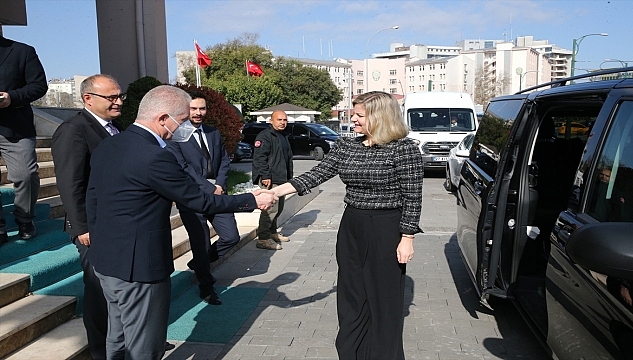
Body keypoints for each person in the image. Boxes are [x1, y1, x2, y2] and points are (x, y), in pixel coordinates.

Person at [85, 85, 276, 360]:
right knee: (143, 345)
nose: (184, 127)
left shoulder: (110, 144)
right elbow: (199, 201)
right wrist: (251, 200)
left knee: (118, 335)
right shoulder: (155, 156)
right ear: (163, 118)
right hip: (139, 267)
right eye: (183, 120)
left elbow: (92, 199)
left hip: (106, 259)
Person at [271, 91, 423, 359]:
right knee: (351, 297)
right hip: (352, 225)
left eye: (359, 115)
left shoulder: (404, 148)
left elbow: (412, 195)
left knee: (384, 301)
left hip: (387, 228)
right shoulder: (346, 146)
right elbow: (318, 174)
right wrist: (276, 192)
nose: (353, 119)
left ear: (379, 117)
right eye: (354, 114)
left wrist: (407, 237)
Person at [51, 74, 124, 360]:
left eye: (120, 96)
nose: (118, 102)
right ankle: (99, 351)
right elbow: (70, 184)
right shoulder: (74, 130)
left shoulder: (114, 129)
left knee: (116, 289)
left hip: (115, 223)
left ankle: (124, 341)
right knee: (97, 291)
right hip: (91, 228)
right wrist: (82, 226)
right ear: (88, 99)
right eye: (112, 97)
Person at [166, 91, 240, 306]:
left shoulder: (213, 132)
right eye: (193, 109)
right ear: (185, 110)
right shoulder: (176, 135)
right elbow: (183, 167)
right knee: (201, 243)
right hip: (192, 196)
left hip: (217, 193)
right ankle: (207, 288)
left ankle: (199, 264)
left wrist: (218, 185)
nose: (198, 113)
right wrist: (207, 187)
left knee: (231, 237)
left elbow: (225, 160)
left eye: (202, 108)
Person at [0, 23, 48, 244]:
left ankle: (25, 219)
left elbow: (39, 86)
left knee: (26, 175)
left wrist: (11, 98)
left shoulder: (22, 51)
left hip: (16, 126)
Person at [252, 110, 293, 250]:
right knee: (270, 209)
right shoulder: (265, 136)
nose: (282, 122)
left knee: (278, 208)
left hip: (281, 178)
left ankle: (272, 232)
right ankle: (263, 238)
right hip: (270, 178)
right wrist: (265, 175)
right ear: (271, 121)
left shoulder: (283, 135)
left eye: (285, 120)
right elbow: (260, 157)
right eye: (279, 119)